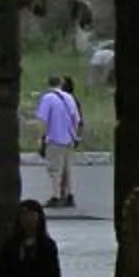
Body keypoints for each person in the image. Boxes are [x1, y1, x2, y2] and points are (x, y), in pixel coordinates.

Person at [36, 76, 84, 208]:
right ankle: (69, 195)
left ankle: (56, 196)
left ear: (48, 84)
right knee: (67, 169)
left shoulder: (47, 98)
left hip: (55, 138)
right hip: (69, 138)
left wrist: (41, 138)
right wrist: (74, 136)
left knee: (54, 169)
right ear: (60, 84)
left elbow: (42, 120)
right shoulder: (69, 98)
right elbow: (77, 119)